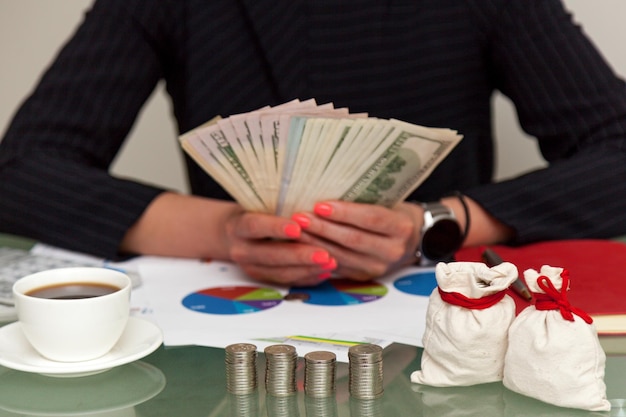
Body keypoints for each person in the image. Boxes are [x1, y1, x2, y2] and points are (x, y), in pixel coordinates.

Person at [1, 0, 625, 287]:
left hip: (434, 314)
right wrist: (226, 231)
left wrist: (433, 223)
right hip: (242, 321)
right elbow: (21, 169)